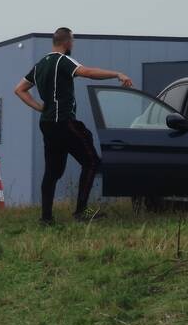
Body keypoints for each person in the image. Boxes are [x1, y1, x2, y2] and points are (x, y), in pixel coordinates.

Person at [14, 27, 133, 224]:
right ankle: (81, 212)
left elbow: (19, 89)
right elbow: (87, 72)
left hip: (48, 124)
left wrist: (40, 107)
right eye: (73, 41)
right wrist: (116, 74)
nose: (73, 45)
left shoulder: (40, 64)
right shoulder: (63, 60)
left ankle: (46, 218)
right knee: (92, 161)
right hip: (65, 123)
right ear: (67, 42)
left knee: (52, 172)